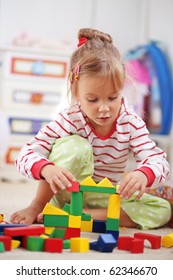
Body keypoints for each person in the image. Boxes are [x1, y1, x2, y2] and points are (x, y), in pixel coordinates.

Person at [10, 28, 171, 229]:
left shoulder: (130, 121)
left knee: (162, 209)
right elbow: (25, 154)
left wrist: (143, 174)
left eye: (113, 97)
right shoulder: (70, 118)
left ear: (122, 88)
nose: (104, 108)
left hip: (107, 195)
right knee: (75, 146)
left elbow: (158, 160)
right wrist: (47, 168)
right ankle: (38, 206)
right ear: (76, 92)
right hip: (68, 191)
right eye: (92, 99)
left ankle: (86, 215)